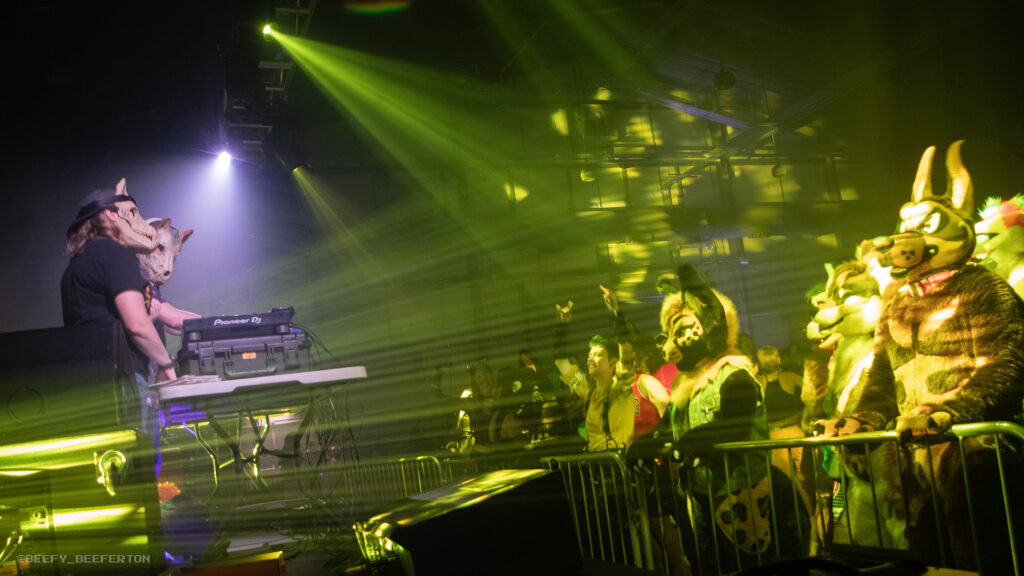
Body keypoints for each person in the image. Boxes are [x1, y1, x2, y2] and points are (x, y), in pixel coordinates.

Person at [62, 179, 176, 437]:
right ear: (112, 215)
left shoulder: (74, 268)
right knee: (140, 458)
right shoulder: (115, 253)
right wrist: (167, 365)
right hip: (123, 380)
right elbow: (137, 325)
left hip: (86, 387)